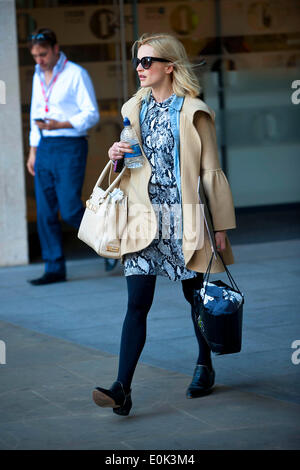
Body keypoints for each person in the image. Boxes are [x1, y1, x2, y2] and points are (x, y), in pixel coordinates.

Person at [92, 33, 236, 416]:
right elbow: (131, 163)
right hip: (142, 219)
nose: (139, 68)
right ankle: (122, 387)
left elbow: (210, 171)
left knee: (195, 298)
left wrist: (219, 226)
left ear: (169, 66)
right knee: (137, 302)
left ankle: (204, 365)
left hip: (182, 218)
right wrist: (116, 155)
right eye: (137, 61)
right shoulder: (133, 108)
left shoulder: (193, 112)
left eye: (147, 62)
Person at [26, 28, 100, 285]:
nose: (39, 60)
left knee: (69, 209)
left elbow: (91, 114)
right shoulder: (37, 76)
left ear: (56, 49)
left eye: (43, 54)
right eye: (35, 55)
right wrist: (33, 151)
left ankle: (105, 240)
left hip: (70, 145)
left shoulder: (76, 74)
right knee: (46, 211)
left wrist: (61, 124)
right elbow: (36, 112)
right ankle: (54, 267)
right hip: (45, 147)